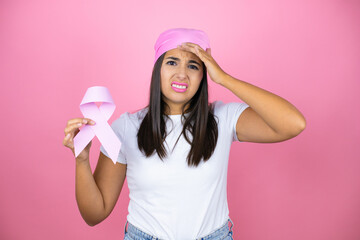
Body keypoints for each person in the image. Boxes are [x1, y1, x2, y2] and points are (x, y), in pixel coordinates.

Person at [63, 28, 306, 240]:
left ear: (204, 75)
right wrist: (82, 160)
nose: (182, 74)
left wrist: (224, 78)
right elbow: (94, 214)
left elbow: (293, 124)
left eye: (193, 65)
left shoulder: (224, 118)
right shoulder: (126, 128)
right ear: (157, 68)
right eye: (172, 62)